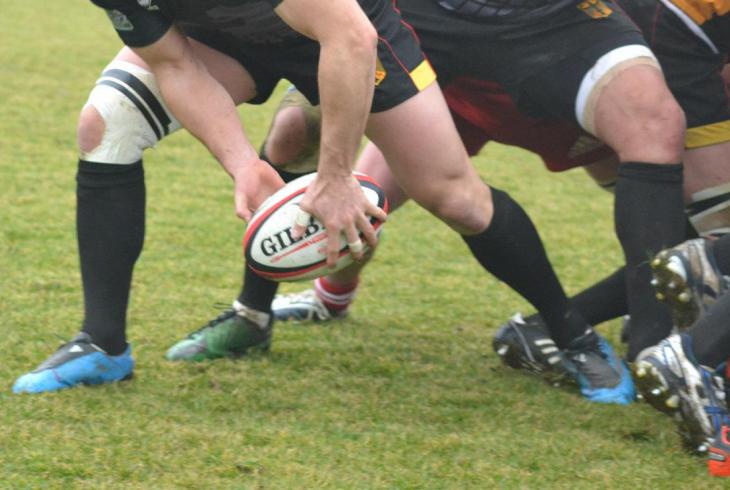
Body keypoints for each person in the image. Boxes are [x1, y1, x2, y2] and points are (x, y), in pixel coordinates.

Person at [12, 0, 611, 403]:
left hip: (348, 30)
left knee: (456, 199)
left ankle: (572, 334)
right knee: (107, 124)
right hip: (225, 36)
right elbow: (173, 62)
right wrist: (242, 164)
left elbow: (349, 38)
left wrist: (336, 177)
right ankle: (103, 344)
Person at [166, 0, 695, 405]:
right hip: (422, 15)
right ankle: (259, 312)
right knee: (297, 137)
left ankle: (584, 335)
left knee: (459, 200)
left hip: (549, 25)